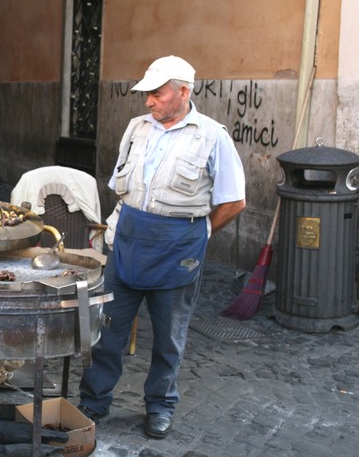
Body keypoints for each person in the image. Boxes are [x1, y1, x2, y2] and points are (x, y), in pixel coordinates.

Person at [78, 55, 246, 439]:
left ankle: (160, 406)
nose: (148, 102)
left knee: (170, 337)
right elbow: (122, 187)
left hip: (178, 250)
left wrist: (199, 235)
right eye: (146, 95)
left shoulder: (212, 136)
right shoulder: (137, 129)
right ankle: (94, 400)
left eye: (156, 94)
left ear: (183, 92)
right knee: (107, 328)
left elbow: (234, 201)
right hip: (128, 242)